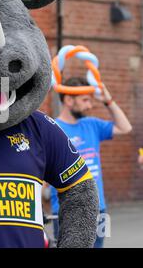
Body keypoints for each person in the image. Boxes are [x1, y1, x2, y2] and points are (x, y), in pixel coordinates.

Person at [50, 77, 132, 248]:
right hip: (67, 211)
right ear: (69, 99)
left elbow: (125, 128)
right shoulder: (53, 129)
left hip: (99, 208)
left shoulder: (91, 124)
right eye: (85, 100)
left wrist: (108, 101)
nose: (90, 105)